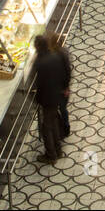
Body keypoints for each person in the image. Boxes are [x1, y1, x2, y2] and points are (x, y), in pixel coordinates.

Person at [33, 34, 68, 164]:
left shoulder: (40, 62)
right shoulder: (55, 56)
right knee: (53, 123)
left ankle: (51, 155)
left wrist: (37, 97)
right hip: (57, 95)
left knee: (46, 127)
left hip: (48, 99)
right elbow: (64, 73)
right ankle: (58, 149)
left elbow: (41, 83)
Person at [46, 31, 72, 140]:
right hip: (61, 88)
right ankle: (63, 128)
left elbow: (67, 72)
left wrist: (65, 88)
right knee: (62, 108)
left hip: (60, 88)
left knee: (61, 108)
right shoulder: (62, 52)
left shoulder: (59, 56)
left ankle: (65, 129)